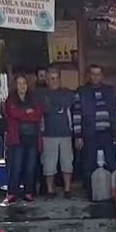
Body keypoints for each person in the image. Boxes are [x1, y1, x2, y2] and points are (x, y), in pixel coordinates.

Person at [72, 65, 116, 180]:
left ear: (102, 76)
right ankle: (91, 193)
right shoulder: (82, 91)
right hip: (89, 132)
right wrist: (78, 135)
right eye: (93, 74)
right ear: (89, 75)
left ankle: (112, 192)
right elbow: (77, 114)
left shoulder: (109, 90)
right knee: (89, 163)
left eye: (98, 74)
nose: (95, 77)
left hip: (107, 132)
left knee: (111, 162)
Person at [3, 74, 44, 204]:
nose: (22, 86)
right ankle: (12, 193)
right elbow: (13, 113)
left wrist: (23, 114)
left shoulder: (34, 98)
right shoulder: (11, 99)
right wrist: (27, 112)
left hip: (31, 136)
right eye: (20, 83)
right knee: (16, 165)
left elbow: (37, 115)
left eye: (24, 83)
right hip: (17, 137)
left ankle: (28, 192)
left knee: (30, 166)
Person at [40, 69, 76, 197]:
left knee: (67, 162)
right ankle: (50, 190)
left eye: (56, 78)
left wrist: (54, 107)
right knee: (49, 163)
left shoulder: (67, 93)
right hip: (48, 133)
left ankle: (67, 189)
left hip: (66, 133)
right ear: (46, 80)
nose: (54, 81)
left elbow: (68, 104)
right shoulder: (41, 94)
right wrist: (57, 108)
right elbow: (45, 108)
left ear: (59, 79)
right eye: (51, 78)